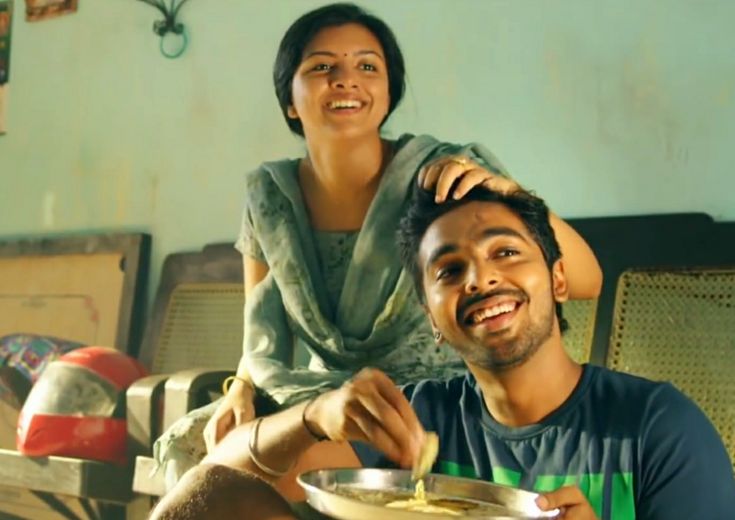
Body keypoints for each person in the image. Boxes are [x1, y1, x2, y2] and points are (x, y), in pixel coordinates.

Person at [152, 2, 602, 487]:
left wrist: (508, 191)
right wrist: (240, 387)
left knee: (261, 479)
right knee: (208, 456)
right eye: (322, 67)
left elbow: (584, 279)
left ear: (388, 95)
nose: (346, 79)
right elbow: (262, 336)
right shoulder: (269, 199)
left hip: (442, 403)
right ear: (289, 99)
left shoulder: (446, 176)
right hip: (323, 402)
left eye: (368, 66)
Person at [151, 185, 735, 520]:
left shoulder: (658, 428)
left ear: (558, 280)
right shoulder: (420, 417)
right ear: (432, 318)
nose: (479, 279)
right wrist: (313, 416)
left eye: (505, 253)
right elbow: (219, 476)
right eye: (450, 269)